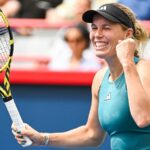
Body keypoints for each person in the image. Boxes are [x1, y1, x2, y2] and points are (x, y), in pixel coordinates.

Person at [12, 3, 150, 149]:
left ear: (128, 34)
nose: (97, 34)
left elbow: (143, 118)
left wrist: (127, 62)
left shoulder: (144, 69)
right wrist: (43, 138)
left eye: (106, 28)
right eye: (94, 28)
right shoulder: (100, 79)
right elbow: (91, 134)